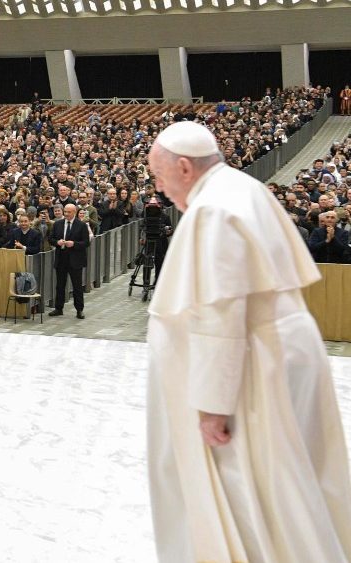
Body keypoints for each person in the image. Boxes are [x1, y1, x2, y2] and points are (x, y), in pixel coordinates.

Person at [145, 120, 351, 563]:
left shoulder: (212, 209)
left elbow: (221, 313)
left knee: (266, 491)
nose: (159, 191)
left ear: (184, 167)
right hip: (284, 348)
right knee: (297, 478)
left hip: (258, 364)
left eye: (159, 178)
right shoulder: (243, 188)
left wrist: (212, 403)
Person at [48, 203, 89, 319]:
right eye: (65, 212)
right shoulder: (57, 224)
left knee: (77, 286)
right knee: (60, 285)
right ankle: (58, 308)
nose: (66, 214)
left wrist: (74, 244)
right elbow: (51, 238)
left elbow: (86, 242)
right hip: (61, 258)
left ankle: (79, 309)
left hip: (75, 259)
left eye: (68, 212)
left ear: (74, 212)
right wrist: (57, 242)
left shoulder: (81, 225)